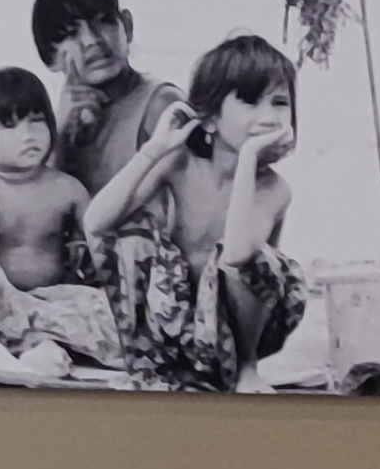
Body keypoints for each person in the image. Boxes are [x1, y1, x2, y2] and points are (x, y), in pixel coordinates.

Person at [86, 32, 308, 390]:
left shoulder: (273, 189)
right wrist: (155, 148)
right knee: (130, 236)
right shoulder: (180, 164)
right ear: (210, 119)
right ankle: (146, 361)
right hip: (177, 324)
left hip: (235, 336)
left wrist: (249, 158)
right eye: (251, 102)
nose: (269, 117)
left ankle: (247, 369)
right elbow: (96, 223)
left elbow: (237, 254)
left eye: (279, 103)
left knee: (254, 259)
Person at [0, 67, 118, 379]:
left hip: (42, 300)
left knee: (91, 312)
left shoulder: (67, 189)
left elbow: (96, 236)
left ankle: (39, 347)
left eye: (36, 120)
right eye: (9, 125)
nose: (28, 134)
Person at [31, 0, 183, 202]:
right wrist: (58, 135)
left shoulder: (162, 105)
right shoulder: (55, 125)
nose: (92, 40)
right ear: (49, 57)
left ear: (127, 26)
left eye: (104, 21)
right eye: (71, 33)